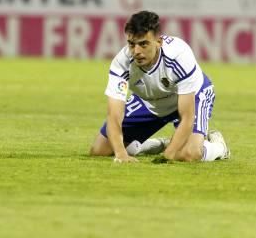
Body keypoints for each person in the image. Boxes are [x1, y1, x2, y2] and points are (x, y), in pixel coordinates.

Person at [88, 11, 230, 162]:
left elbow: (187, 118)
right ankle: (159, 144)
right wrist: (121, 154)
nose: (136, 51)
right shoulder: (121, 63)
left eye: (143, 44)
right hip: (150, 101)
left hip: (191, 96)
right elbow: (114, 116)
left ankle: (219, 147)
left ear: (158, 42)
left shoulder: (179, 56)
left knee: (189, 153)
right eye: (132, 44)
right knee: (100, 149)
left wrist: (169, 154)